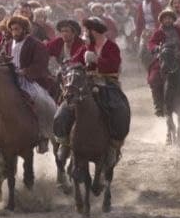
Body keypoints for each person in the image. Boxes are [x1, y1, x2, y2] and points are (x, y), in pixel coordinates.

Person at [54, 16, 129, 161]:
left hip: (107, 83)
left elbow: (114, 65)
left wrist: (97, 59)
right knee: (63, 110)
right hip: (85, 83)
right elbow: (75, 61)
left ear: (95, 31)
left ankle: (113, 145)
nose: (85, 33)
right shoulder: (86, 47)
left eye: (87, 30)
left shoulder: (111, 46)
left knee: (119, 109)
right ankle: (64, 142)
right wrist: (66, 66)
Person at [6, 15, 56, 154]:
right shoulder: (8, 44)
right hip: (10, 80)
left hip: (30, 81)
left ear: (24, 29)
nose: (14, 32)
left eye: (17, 29)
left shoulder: (36, 44)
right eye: (12, 29)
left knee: (39, 101)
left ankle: (43, 135)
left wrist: (25, 72)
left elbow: (41, 64)